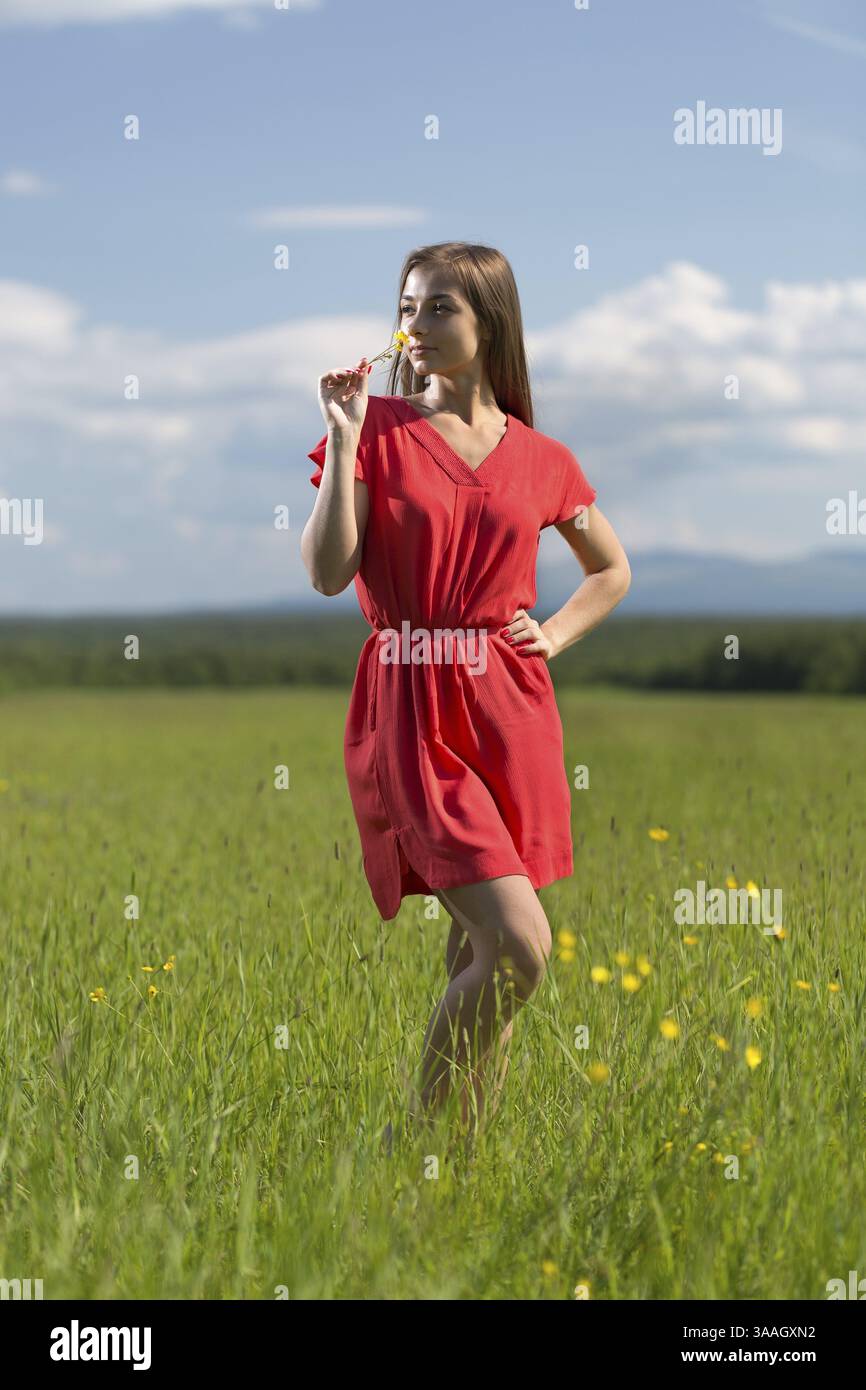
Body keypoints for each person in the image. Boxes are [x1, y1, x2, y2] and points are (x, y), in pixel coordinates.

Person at [300, 241, 631, 1145]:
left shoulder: (543, 458)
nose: (416, 323)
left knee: (479, 952)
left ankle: (461, 1170)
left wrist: (553, 634)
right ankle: (417, 1143)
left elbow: (610, 570)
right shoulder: (375, 434)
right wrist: (340, 432)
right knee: (521, 946)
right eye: (408, 306)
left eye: (441, 306)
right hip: (409, 701)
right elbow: (330, 574)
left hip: (511, 708)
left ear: (490, 324)